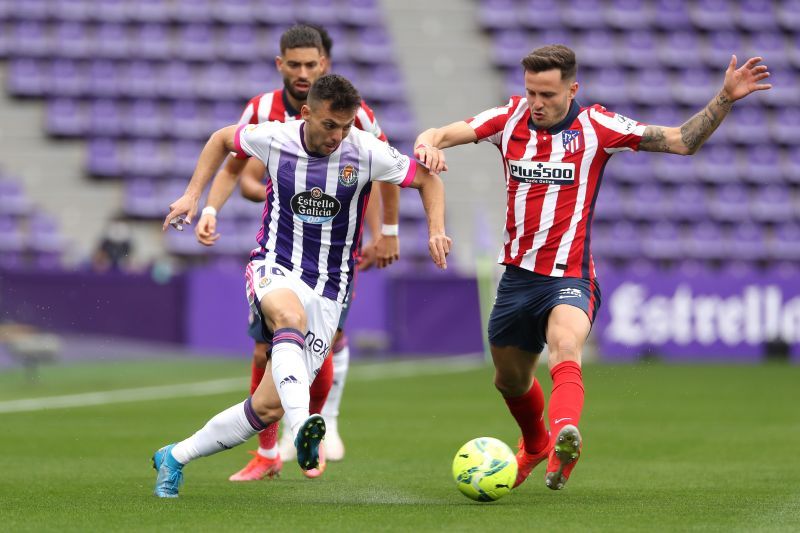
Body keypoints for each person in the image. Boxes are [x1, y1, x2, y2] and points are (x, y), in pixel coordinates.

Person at [414, 45, 770, 491]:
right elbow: (440, 134)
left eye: (547, 94)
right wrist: (427, 145)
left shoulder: (597, 126)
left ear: (572, 89)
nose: (537, 103)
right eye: (531, 93)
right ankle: (537, 443)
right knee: (508, 380)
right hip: (518, 279)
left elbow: (682, 140)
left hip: (570, 275)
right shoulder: (508, 119)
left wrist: (725, 97)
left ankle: (566, 433)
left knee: (564, 346)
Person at [153, 74, 451, 498]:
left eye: (345, 126)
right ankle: (302, 428)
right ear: (307, 113)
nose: (338, 135)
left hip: (331, 289)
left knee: (265, 405)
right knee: (288, 318)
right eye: (330, 125)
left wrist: (434, 230)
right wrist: (192, 196)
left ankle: (175, 456)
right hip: (276, 266)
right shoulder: (275, 137)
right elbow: (222, 139)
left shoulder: (364, 150)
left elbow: (428, 179)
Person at [197, 24, 400, 481]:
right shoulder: (262, 111)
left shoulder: (355, 114)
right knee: (263, 351)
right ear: (281, 65)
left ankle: (322, 427)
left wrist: (385, 233)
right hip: (282, 249)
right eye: (295, 64)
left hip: (334, 253)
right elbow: (236, 164)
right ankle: (268, 453)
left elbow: (382, 173)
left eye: (312, 64)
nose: (304, 71)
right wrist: (212, 205)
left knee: (322, 347)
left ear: (323, 64)